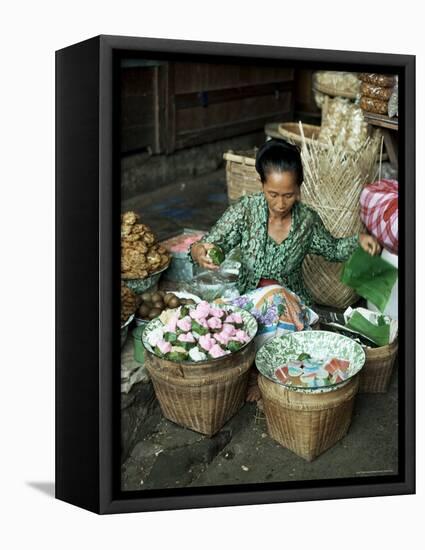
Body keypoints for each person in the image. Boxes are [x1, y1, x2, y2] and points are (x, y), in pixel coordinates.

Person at [191, 139, 381, 400]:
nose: (280, 203)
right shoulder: (245, 211)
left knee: (284, 306)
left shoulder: (306, 220)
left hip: (292, 306)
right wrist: (200, 251)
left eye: (288, 195)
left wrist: (358, 241)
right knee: (236, 320)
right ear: (262, 185)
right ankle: (264, 372)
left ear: (299, 189)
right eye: (273, 194)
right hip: (251, 301)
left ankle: (266, 374)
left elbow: (333, 249)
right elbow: (215, 243)